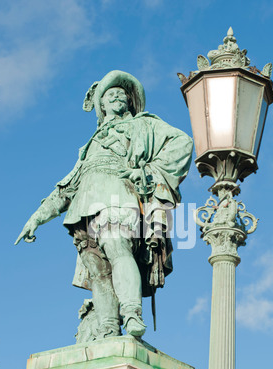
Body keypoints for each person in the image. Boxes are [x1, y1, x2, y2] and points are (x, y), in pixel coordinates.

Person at [15, 70, 193, 341]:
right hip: (84, 206)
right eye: (111, 94)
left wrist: (149, 171)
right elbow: (67, 188)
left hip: (119, 196)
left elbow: (183, 142)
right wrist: (37, 218)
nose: (118, 96)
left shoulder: (144, 125)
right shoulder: (90, 145)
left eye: (122, 93)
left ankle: (132, 313)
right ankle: (109, 327)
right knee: (97, 269)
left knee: (118, 245)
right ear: (102, 104)